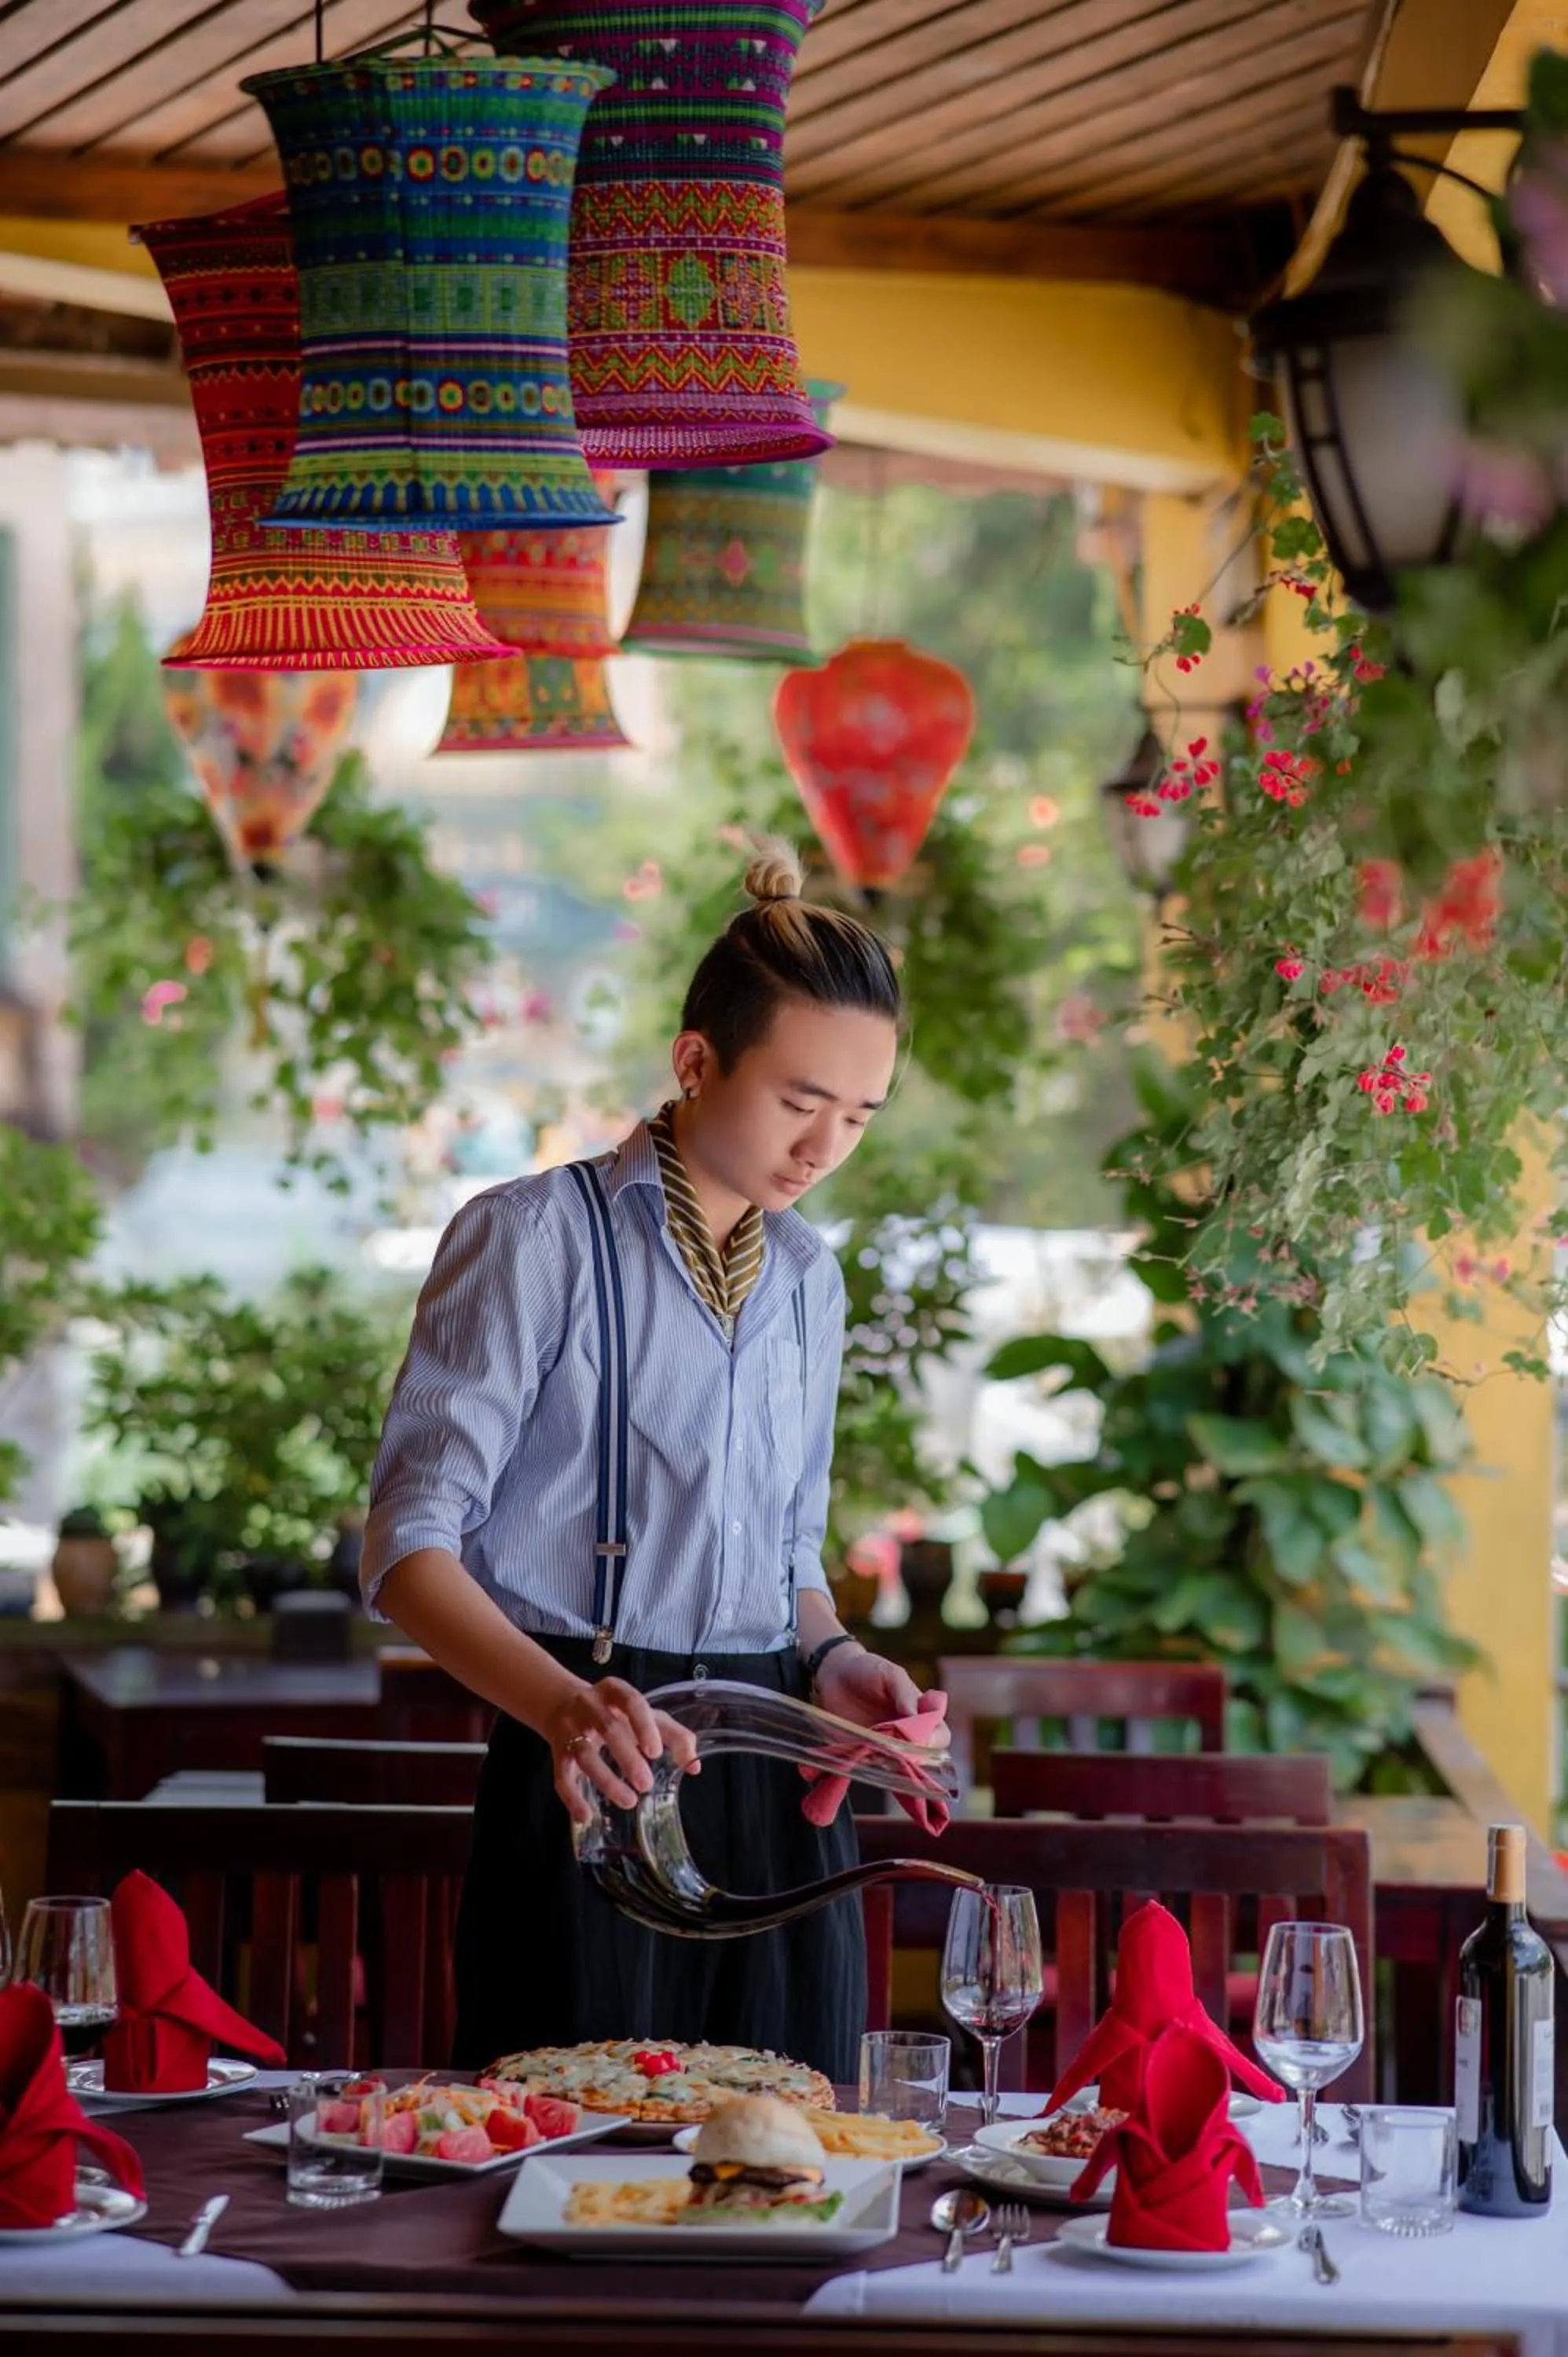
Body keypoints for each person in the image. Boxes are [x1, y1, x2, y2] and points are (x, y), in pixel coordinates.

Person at [362, 840, 923, 2079]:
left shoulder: (812, 1282)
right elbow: (407, 1550)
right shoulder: (529, 1239)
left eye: (860, 1114)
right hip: (581, 1760)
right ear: (694, 1061)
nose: (826, 1145)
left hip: (773, 1789)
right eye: (798, 1100)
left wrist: (834, 1660)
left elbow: (790, 1558)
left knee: (792, 2164)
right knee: (566, 2165)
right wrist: (563, 1708)